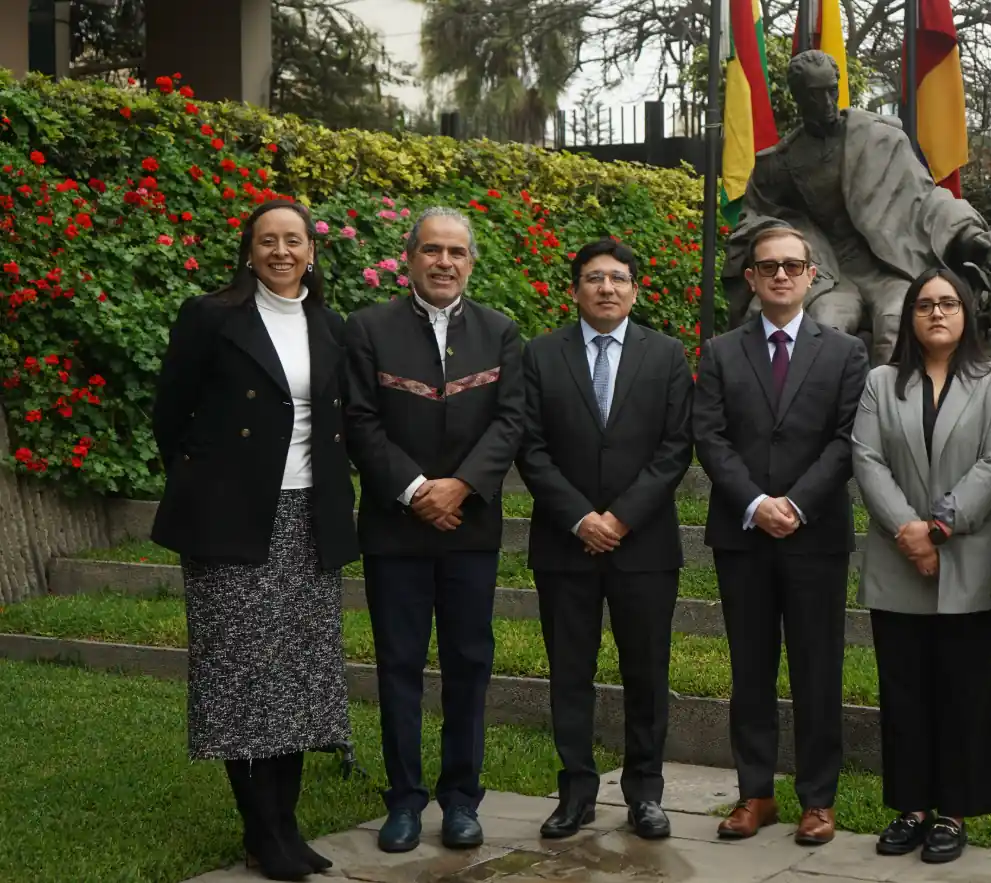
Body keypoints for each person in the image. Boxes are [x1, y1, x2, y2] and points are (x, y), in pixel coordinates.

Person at [151, 200, 359, 881]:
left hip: (310, 517)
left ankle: (286, 825)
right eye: (267, 240)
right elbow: (169, 413)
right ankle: (261, 830)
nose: (280, 251)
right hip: (230, 520)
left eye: (292, 240)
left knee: (296, 678)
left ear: (310, 252)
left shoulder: (331, 326)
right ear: (248, 251)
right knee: (241, 678)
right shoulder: (211, 317)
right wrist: (210, 481)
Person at [344, 207, 526, 854]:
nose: (444, 261)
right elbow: (360, 421)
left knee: (468, 664)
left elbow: (509, 422)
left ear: (471, 261)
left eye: (456, 251)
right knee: (398, 663)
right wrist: (418, 489)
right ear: (410, 257)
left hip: (469, 528)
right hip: (396, 529)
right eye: (432, 250)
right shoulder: (367, 329)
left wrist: (461, 486)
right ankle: (402, 800)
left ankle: (460, 799)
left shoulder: (501, 333)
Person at [692, 225, 869, 845]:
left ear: (812, 274)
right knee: (750, 669)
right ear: (752, 279)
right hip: (743, 536)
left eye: (793, 266)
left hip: (815, 535)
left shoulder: (845, 352)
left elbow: (847, 441)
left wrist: (794, 502)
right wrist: (756, 502)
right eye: (769, 268)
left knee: (818, 669)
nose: (782, 276)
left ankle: (818, 800)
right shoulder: (719, 352)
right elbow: (709, 437)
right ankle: (755, 793)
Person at [517, 240, 694, 841]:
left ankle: (645, 793)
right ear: (575, 290)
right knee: (570, 673)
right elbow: (530, 448)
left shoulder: (666, 355)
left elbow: (676, 448)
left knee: (646, 672)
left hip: (643, 546)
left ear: (635, 290)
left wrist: (619, 518)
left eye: (619, 278)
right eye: (594, 278)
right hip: (565, 546)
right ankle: (576, 793)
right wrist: (580, 518)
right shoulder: (540, 355)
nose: (607, 288)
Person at [849, 267, 991, 864]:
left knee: (965, 690)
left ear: (967, 313)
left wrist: (941, 526)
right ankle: (912, 807)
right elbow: (867, 459)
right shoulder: (880, 382)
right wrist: (909, 532)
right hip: (899, 560)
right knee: (903, 691)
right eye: (925, 305)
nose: (938, 313)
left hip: (969, 559)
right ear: (911, 317)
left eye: (949, 303)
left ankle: (953, 809)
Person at [722, 49, 991, 366]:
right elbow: (755, 218)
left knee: (899, 319)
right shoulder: (780, 163)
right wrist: (791, 241)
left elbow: (926, 198)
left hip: (888, 265)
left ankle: (890, 410)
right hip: (829, 273)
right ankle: (825, 413)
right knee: (826, 325)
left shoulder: (879, 138)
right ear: (799, 98)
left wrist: (968, 234)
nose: (828, 103)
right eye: (816, 96)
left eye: (832, 90)